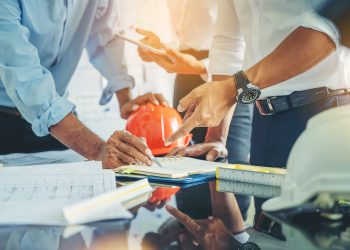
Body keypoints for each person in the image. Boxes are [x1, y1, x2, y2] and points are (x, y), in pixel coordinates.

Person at [165, 0, 350, 222]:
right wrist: (217, 137)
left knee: (319, 233)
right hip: (264, 119)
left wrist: (235, 87)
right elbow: (228, 45)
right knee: (269, 230)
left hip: (323, 112)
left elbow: (330, 29)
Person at [0, 0, 168, 168]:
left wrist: (125, 97)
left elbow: (104, 35)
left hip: (59, 124)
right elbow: (23, 72)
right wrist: (98, 150)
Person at [137, 0, 252, 220]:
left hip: (231, 79)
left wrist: (197, 66)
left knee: (228, 177)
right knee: (186, 176)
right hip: (185, 75)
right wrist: (165, 50)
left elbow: (241, 41)